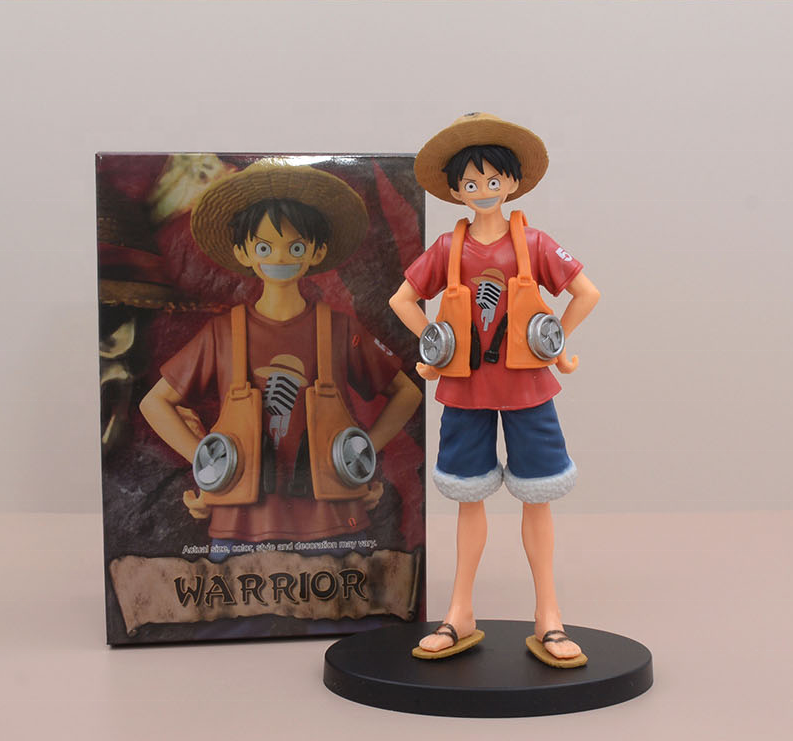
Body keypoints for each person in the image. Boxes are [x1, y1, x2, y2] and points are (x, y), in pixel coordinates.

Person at [389, 113, 600, 667]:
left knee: (539, 495)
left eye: (492, 179)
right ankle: (460, 612)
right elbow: (402, 299)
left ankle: (548, 615)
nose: (482, 190)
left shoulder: (534, 243)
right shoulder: (447, 249)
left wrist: (556, 341)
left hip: (528, 387)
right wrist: (433, 342)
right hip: (465, 388)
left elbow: (586, 292)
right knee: (468, 497)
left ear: (512, 182)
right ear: (456, 190)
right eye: (470, 182)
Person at [141, 161, 422, 555]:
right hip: (239, 522)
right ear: (243, 252)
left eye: (295, 247)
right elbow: (155, 402)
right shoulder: (223, 333)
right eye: (263, 247)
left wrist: (361, 453)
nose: (279, 256)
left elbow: (408, 393)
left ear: (316, 251)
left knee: (339, 592)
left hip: (330, 520)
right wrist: (207, 464)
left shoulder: (339, 330)